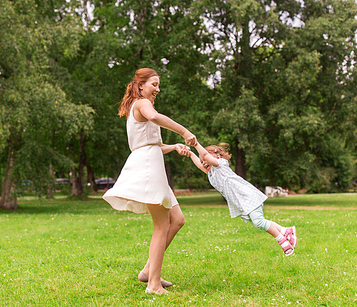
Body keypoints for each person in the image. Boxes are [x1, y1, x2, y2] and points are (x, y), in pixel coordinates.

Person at [103, 68, 197, 294]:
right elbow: (154, 119)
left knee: (177, 220)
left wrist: (174, 147)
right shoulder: (142, 103)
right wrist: (184, 131)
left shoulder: (141, 105)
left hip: (152, 162)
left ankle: (148, 271)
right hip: (147, 166)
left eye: (158, 85)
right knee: (161, 225)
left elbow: (151, 144)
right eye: (154, 84)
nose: (157, 89)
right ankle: (153, 284)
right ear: (141, 85)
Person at [189, 142, 298, 256]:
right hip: (241, 203)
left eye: (205, 159)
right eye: (202, 161)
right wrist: (191, 154)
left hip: (247, 196)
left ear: (217, 156)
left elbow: (205, 156)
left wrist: (195, 144)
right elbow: (200, 163)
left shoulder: (220, 165)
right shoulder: (211, 174)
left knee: (259, 222)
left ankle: (282, 241)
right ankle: (286, 231)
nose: (203, 162)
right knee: (258, 223)